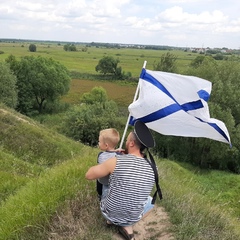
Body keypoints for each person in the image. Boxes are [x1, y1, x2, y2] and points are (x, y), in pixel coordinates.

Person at [86, 121, 161, 240]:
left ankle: (111, 220)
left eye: (126, 140)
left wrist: (110, 159)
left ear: (131, 143)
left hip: (109, 213)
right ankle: (127, 225)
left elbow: (89, 175)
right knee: (150, 201)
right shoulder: (153, 167)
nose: (125, 142)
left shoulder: (116, 161)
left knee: (106, 181)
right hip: (134, 217)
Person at [96, 128, 120, 200]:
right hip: (114, 183)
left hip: (104, 182)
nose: (98, 143)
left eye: (99, 142)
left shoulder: (101, 155)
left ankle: (100, 196)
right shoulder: (118, 156)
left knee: (99, 181)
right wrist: (116, 151)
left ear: (106, 145)